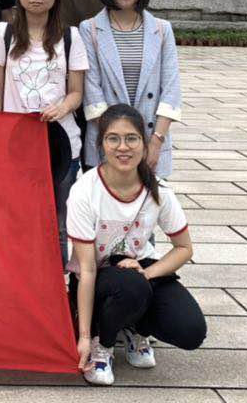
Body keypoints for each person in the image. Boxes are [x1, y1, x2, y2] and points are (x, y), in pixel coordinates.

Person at [68, 103, 204, 385]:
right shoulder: (84, 191)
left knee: (191, 330)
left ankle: (134, 328)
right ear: (100, 144)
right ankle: (103, 344)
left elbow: (184, 248)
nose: (123, 147)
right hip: (99, 277)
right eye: (113, 139)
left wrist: (148, 272)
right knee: (131, 286)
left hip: (141, 271)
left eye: (131, 138)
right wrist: (83, 337)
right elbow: (87, 270)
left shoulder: (158, 190)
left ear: (144, 143)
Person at [0, 0, 86, 240]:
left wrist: (62, 107)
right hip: (15, 144)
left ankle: (59, 271)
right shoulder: (3, 33)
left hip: (61, 143)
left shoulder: (70, 36)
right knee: (15, 221)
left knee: (59, 224)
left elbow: (76, 92)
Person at [80, 0, 183, 177]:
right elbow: (92, 92)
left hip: (151, 139)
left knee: (150, 199)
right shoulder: (90, 29)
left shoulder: (162, 29)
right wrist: (121, 143)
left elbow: (171, 89)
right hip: (108, 142)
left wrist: (155, 142)